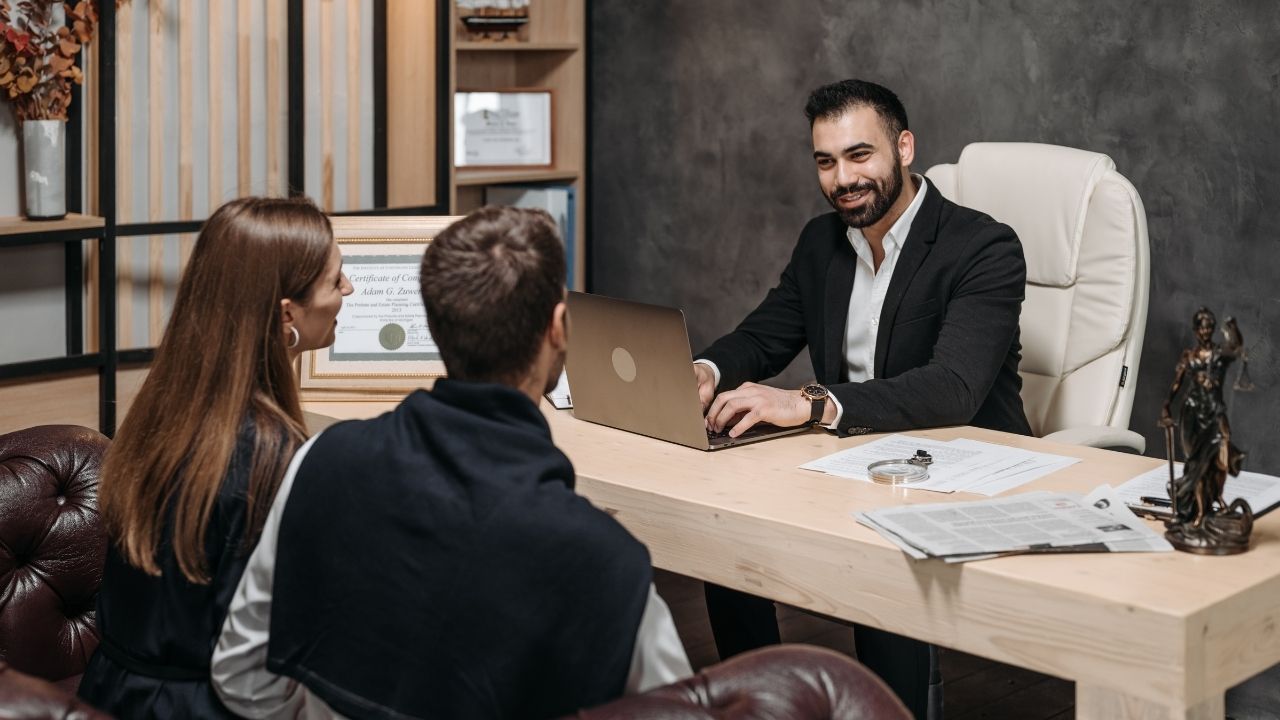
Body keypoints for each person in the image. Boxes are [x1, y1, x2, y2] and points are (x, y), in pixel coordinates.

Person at [211, 206, 692, 720]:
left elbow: (240, 677)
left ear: (436, 328)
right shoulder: (606, 562)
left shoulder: (318, 462)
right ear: (558, 328)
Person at [692, 79, 1031, 718]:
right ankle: (759, 703)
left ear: (903, 147)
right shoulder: (823, 243)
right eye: (825, 161)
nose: (843, 178)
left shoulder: (982, 247)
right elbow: (764, 335)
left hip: (961, 464)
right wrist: (706, 370)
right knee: (725, 533)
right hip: (851, 459)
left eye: (859, 155)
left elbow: (953, 387)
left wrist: (814, 403)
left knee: (879, 553)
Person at [78, 197, 354, 718]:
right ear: (287, 314)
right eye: (336, 280)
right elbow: (261, 658)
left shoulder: (164, 409)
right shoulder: (270, 454)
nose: (348, 290)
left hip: (109, 694)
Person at [1159, 307, 1250, 541]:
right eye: (1202, 327)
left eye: (1210, 326)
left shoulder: (1220, 355)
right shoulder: (1189, 357)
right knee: (1196, 466)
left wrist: (1232, 329)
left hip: (1215, 413)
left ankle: (1218, 498)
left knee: (1220, 460)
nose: (1206, 331)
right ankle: (1199, 513)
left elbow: (1237, 348)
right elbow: (1177, 384)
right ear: (1195, 330)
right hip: (1192, 415)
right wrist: (1167, 406)